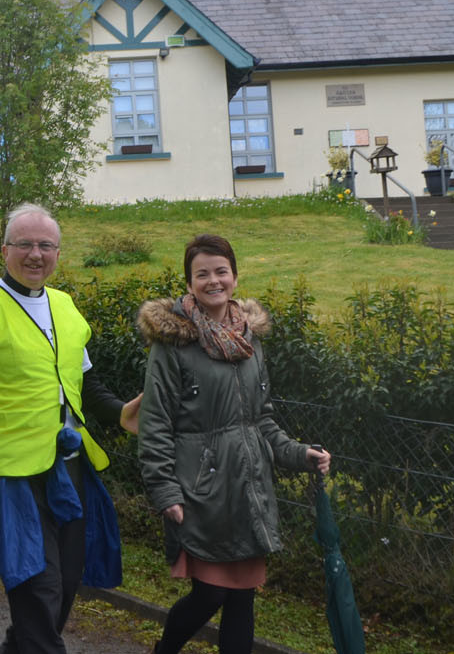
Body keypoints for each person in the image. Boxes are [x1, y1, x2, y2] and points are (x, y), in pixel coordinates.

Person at [0, 204, 141, 654]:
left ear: (58, 252)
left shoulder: (65, 305)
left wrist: (119, 412)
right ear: (4, 250)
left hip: (68, 465)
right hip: (11, 475)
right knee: (37, 585)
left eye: (45, 245)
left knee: (66, 583)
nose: (35, 254)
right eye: (25, 244)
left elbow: (84, 381)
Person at [137, 234, 332, 654]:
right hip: (202, 492)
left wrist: (300, 454)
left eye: (220, 271)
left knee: (242, 597)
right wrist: (165, 490)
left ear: (235, 277)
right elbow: (155, 425)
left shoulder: (250, 339)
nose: (213, 281)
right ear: (189, 283)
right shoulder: (172, 345)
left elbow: (260, 419)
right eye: (201, 273)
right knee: (210, 595)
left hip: (248, 490)